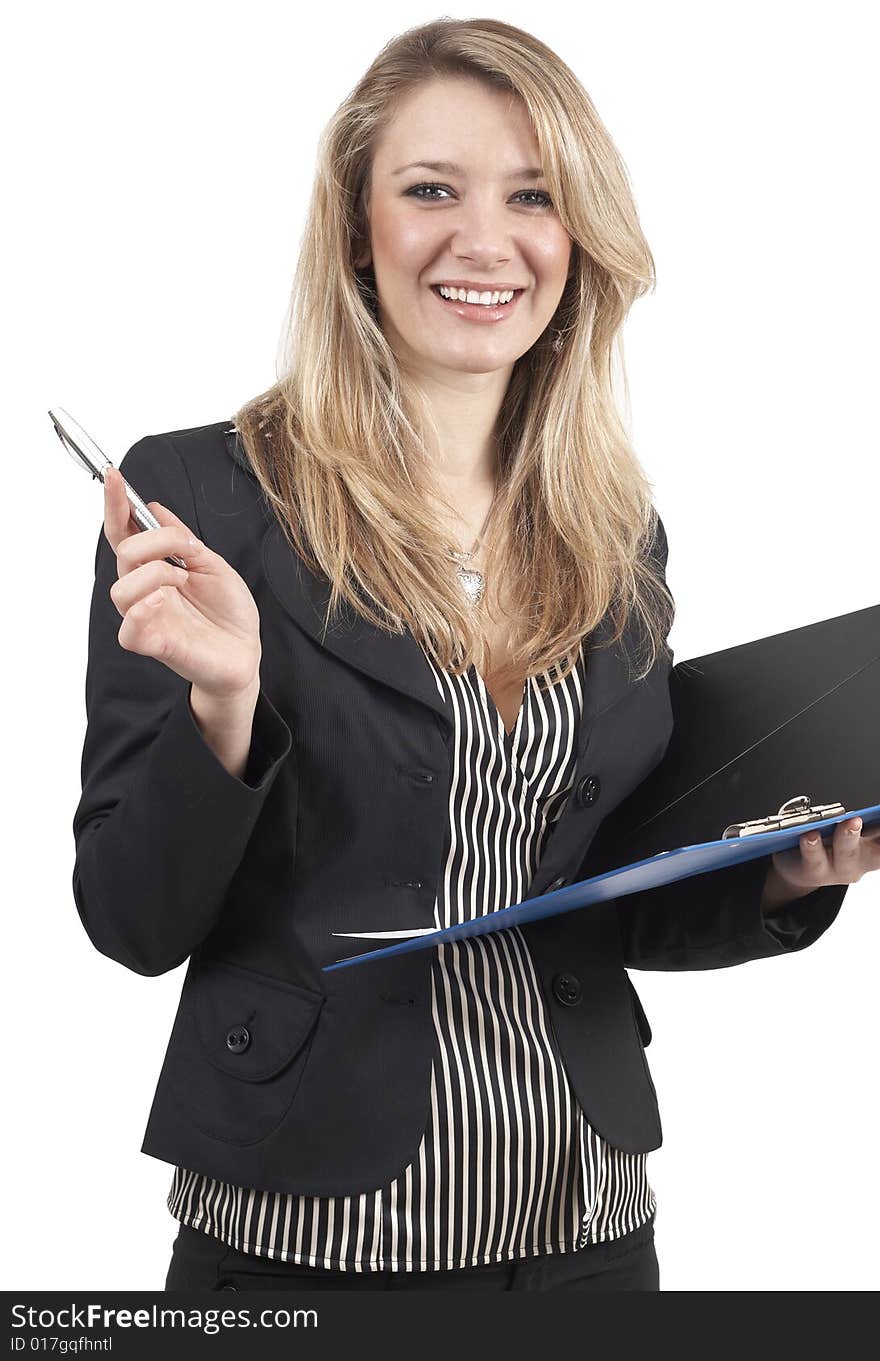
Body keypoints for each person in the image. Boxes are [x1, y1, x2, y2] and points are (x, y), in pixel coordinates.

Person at [73, 18, 878, 1293]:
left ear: (577, 237)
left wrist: (785, 873)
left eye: (533, 196)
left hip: (587, 1227)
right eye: (430, 189)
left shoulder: (615, 531)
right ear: (358, 226)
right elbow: (129, 918)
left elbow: (602, 893)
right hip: (307, 1239)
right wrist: (223, 703)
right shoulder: (201, 498)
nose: (484, 240)